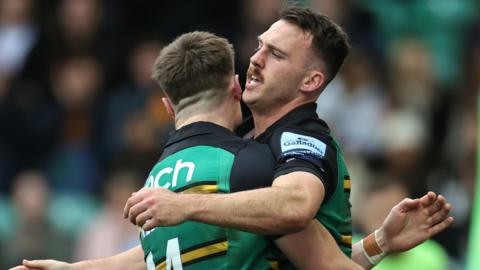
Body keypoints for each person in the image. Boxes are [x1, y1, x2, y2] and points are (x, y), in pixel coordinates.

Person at [11, 7, 453, 270]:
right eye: (260, 46)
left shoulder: (298, 139)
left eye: (275, 54)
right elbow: (167, 244)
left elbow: (293, 210)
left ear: (311, 80)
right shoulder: (249, 151)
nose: (255, 60)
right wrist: (377, 244)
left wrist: (184, 202)